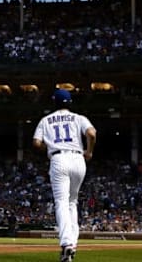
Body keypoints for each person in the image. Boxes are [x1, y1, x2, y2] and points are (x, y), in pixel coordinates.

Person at [33, 88, 96, 262]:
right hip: (78, 159)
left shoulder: (46, 120)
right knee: (72, 202)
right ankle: (72, 245)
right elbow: (91, 133)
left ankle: (67, 243)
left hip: (59, 158)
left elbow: (36, 142)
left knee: (61, 202)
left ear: (54, 102)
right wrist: (89, 151)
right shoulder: (79, 118)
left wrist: (49, 147)